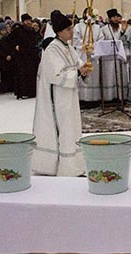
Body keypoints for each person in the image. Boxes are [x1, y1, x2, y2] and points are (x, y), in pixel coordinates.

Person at [31, 11, 93, 176]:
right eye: (68, 30)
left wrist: (85, 68)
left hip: (68, 96)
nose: (71, 32)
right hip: (57, 98)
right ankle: (61, 166)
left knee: (71, 127)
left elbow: (77, 64)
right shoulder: (52, 49)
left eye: (71, 28)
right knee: (63, 128)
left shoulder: (67, 47)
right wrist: (78, 73)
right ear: (59, 32)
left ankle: (73, 164)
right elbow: (56, 75)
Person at [99, 9, 129, 102]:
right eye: (114, 17)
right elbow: (102, 41)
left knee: (120, 76)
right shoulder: (104, 29)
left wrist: (123, 31)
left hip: (119, 57)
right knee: (109, 77)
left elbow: (126, 40)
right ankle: (109, 97)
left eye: (117, 17)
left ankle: (121, 97)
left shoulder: (122, 28)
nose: (116, 19)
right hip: (108, 58)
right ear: (109, 18)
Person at [8, 13, 40, 99]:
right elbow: (9, 40)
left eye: (29, 20)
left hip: (31, 55)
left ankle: (32, 92)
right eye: (27, 21)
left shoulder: (32, 30)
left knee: (32, 74)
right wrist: (16, 47)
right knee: (22, 74)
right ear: (23, 22)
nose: (29, 22)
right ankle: (22, 92)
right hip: (21, 56)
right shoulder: (18, 30)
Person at [74, 15, 103, 108]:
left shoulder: (98, 28)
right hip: (82, 54)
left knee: (93, 77)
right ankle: (82, 99)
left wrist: (93, 46)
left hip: (93, 55)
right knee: (83, 74)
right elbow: (75, 39)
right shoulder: (78, 26)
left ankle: (93, 99)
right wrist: (84, 44)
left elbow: (101, 40)